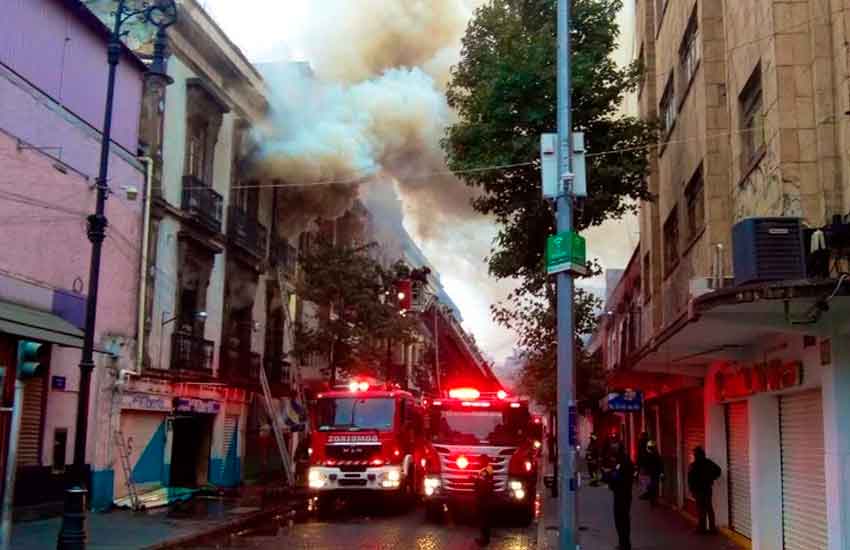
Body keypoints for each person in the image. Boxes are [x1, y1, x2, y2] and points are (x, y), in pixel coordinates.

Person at [602, 442, 634, 550]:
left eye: (615, 449)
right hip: (619, 494)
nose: (613, 452)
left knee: (622, 520)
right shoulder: (620, 461)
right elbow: (614, 474)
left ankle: (625, 544)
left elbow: (617, 476)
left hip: (623, 495)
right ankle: (623, 543)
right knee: (619, 520)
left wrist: (608, 475)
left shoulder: (624, 462)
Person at [687, 446, 721, 534]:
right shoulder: (708, 463)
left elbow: (690, 479)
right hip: (707, 489)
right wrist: (711, 478)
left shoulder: (693, 465)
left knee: (700, 509)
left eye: (694, 454)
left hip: (698, 490)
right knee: (709, 508)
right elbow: (718, 471)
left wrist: (691, 490)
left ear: (696, 455)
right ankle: (712, 528)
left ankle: (701, 528)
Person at [475, 455, 495, 546]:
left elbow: (483, 482)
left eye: (480, 461)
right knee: (483, 520)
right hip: (483, 498)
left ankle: (484, 540)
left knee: (484, 520)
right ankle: (483, 538)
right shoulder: (486, 469)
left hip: (484, 499)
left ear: (484, 461)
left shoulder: (487, 470)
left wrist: (474, 479)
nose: (479, 462)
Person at [639, 440, 663, 507]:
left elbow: (660, 464)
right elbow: (644, 463)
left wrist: (661, 472)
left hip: (654, 473)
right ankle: (652, 499)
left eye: (652, 447)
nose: (651, 449)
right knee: (650, 486)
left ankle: (653, 500)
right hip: (650, 473)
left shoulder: (655, 455)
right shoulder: (647, 454)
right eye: (650, 447)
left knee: (654, 487)